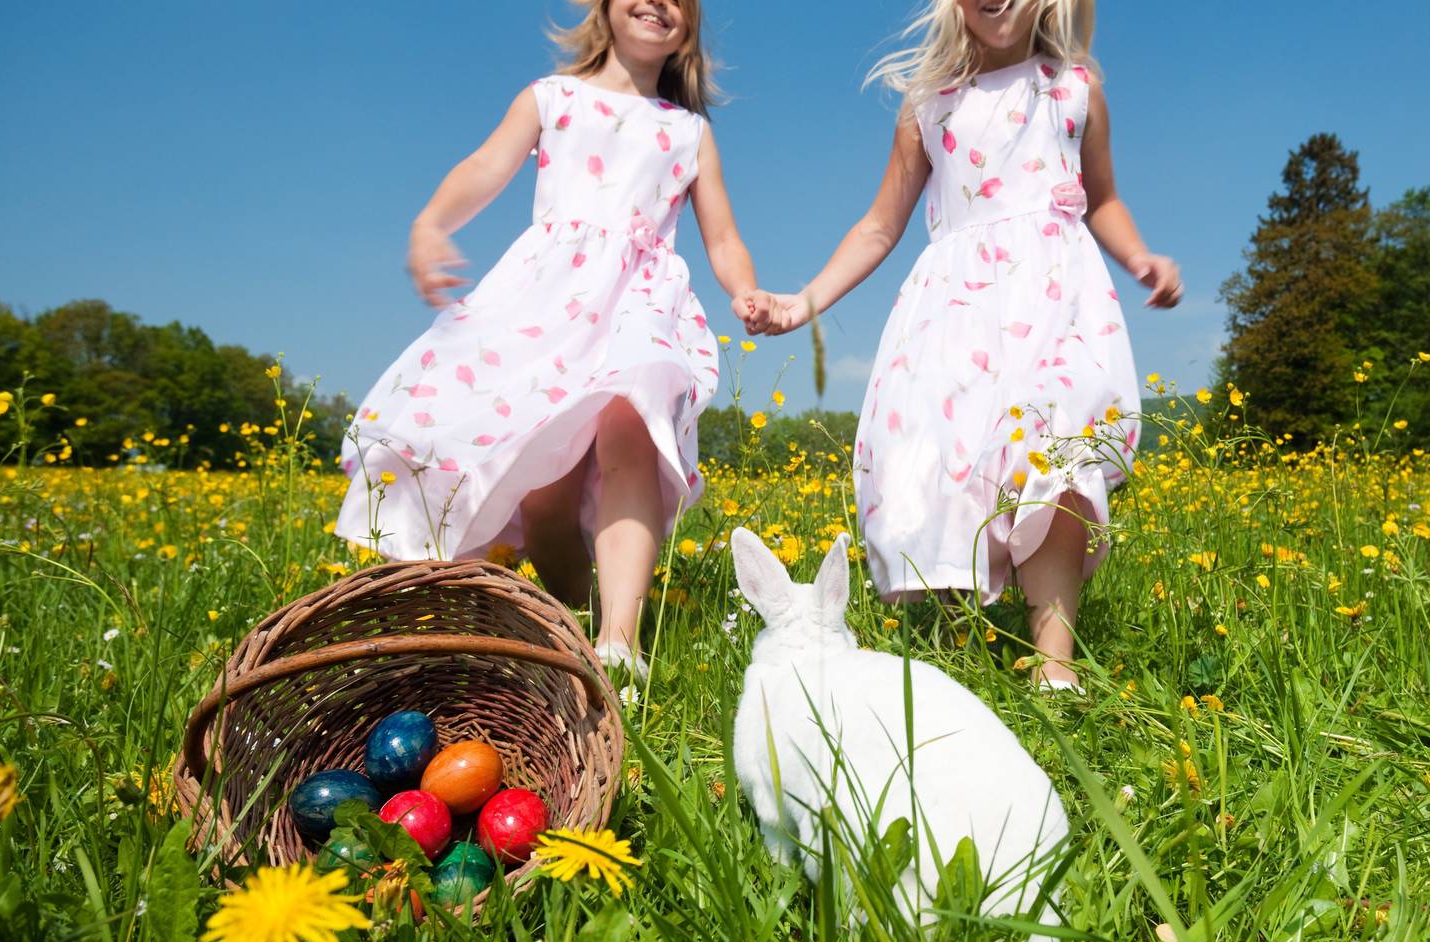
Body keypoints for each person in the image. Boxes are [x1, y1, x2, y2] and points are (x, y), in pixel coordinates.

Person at [337, 0, 769, 675]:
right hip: (548, 302)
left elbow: (722, 235)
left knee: (634, 426)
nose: (658, 4)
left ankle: (620, 645)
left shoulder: (688, 133)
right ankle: (571, 625)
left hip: (641, 302)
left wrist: (743, 288)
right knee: (546, 501)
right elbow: (485, 167)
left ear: (689, 27)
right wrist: (431, 224)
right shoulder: (553, 99)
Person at [765, 0, 1182, 690]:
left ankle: (1054, 671)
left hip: (1058, 302)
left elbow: (1102, 197)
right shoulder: (930, 106)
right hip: (956, 316)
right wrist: (802, 301)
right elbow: (878, 226)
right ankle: (960, 655)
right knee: (948, 479)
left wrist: (1139, 257)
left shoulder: (1072, 89)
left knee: (1061, 457)